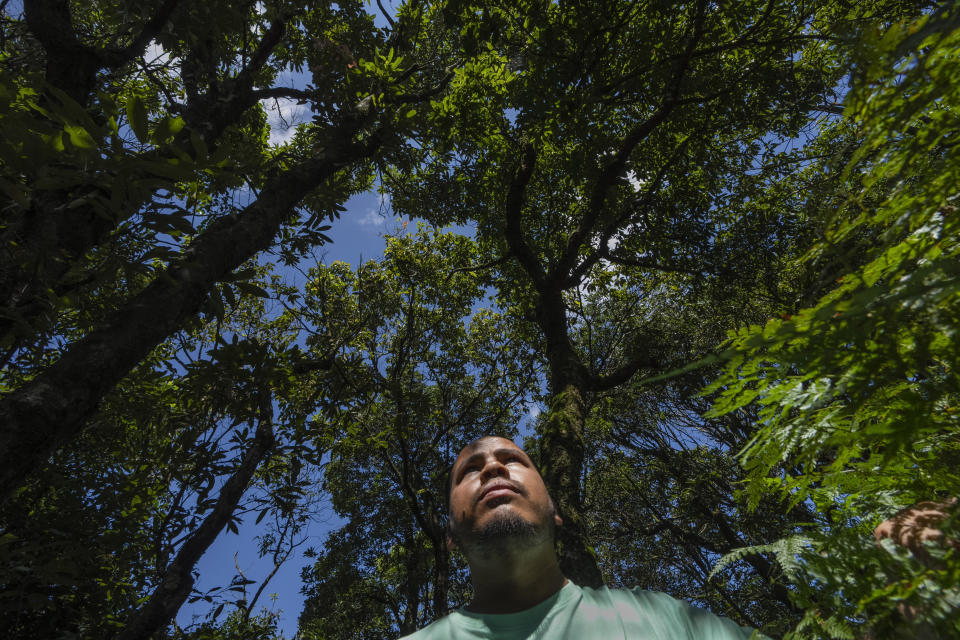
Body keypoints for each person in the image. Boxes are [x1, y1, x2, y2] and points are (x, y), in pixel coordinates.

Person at [400, 436, 763, 639]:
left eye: (512, 459)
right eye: (470, 470)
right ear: (449, 535)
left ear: (555, 512)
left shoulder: (662, 617)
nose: (494, 467)